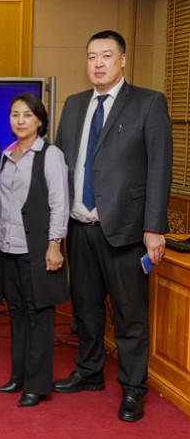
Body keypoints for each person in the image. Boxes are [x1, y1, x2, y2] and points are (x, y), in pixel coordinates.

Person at [53, 30, 172, 422]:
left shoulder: (148, 102)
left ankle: (133, 386)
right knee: (86, 307)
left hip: (125, 229)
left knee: (129, 314)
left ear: (122, 60)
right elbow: (60, 167)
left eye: (106, 55)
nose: (98, 63)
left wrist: (154, 227)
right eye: (91, 56)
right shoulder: (74, 104)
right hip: (80, 227)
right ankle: (89, 371)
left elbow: (159, 168)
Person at [0, 93, 69, 407]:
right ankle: (19, 376)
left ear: (39, 120)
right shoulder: (7, 154)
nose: (20, 120)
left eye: (27, 115)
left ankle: (37, 385)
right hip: (8, 247)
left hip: (37, 249)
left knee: (39, 316)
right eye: (15, 114)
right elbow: (2, 204)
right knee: (17, 314)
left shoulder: (50, 154)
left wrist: (55, 245)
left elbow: (59, 203)